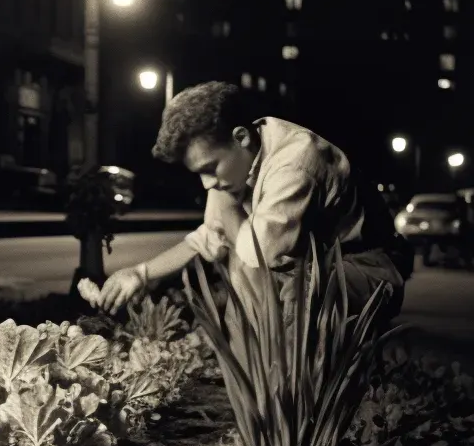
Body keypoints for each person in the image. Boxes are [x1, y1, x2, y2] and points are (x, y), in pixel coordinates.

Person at [95, 81, 406, 327]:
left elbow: (254, 257)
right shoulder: (241, 161)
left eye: (210, 169)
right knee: (254, 296)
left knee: (277, 296)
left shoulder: (293, 165)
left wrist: (223, 201)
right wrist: (140, 273)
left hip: (369, 269)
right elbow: (210, 238)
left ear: (241, 137)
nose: (207, 184)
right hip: (319, 267)